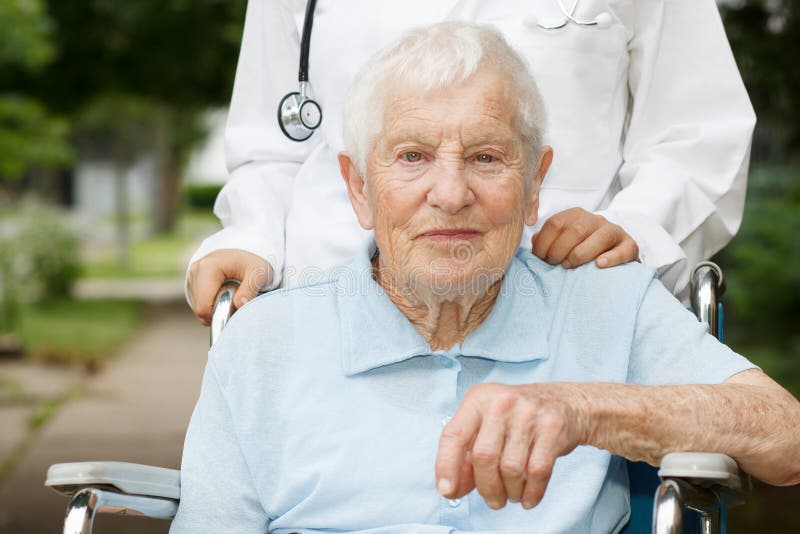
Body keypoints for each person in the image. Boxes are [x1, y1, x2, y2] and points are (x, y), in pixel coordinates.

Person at [171, 23, 798, 534]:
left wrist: (581, 408)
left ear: (534, 187)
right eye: (412, 157)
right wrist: (249, 233)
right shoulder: (262, 345)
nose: (450, 193)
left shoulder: (608, 308)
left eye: (487, 158)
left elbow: (786, 438)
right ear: (359, 188)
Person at [186, 0, 756, 324]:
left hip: (564, 311)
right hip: (332, 307)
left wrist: (636, 228)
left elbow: (699, 130)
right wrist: (252, 235)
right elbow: (273, 140)